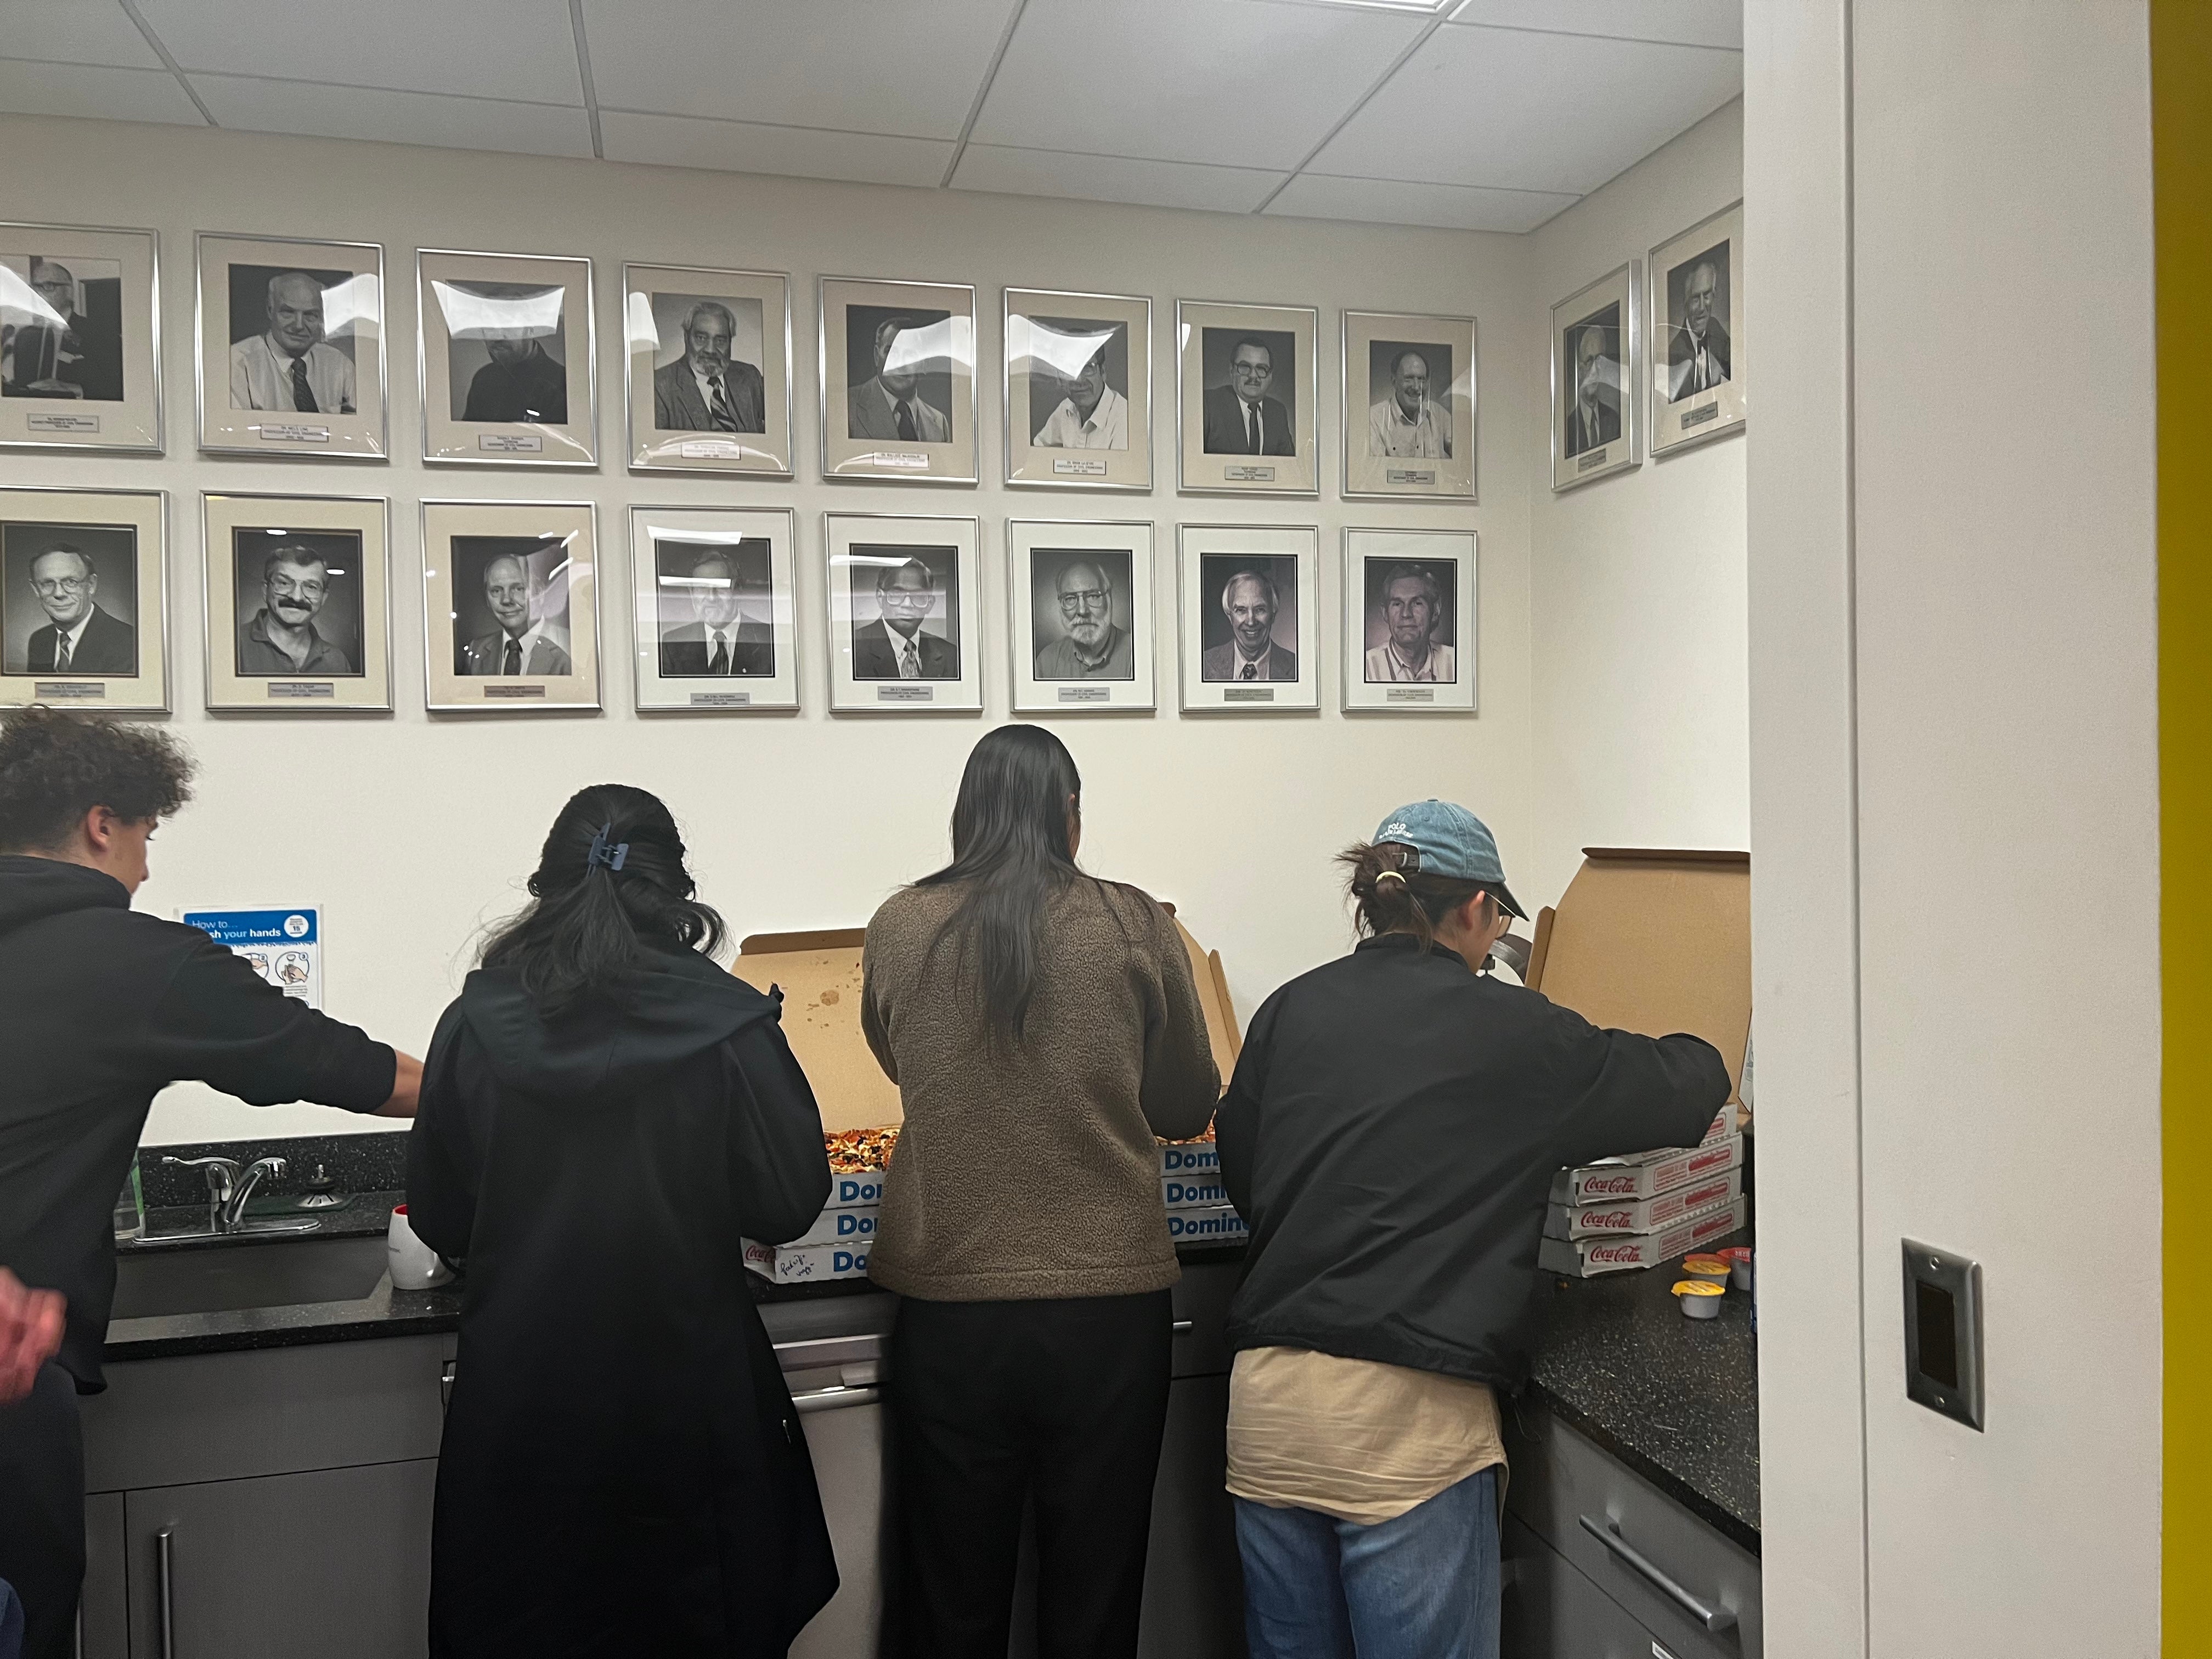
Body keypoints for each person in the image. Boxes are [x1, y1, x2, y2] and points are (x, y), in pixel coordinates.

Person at [1216, 801, 1730, 1659]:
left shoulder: (1287, 1011)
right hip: (1408, 1432)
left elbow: (1245, 1173)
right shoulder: (1515, 1031)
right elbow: (1688, 1085)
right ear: (1478, 911)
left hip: (1268, 1420)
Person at [0, 708, 422, 1659]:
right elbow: (337, 1062)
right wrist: (491, 1080)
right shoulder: (132, 958)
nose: (148, 867)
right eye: (148, 835)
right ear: (102, 822)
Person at [407, 783, 837, 1656]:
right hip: (691, 1410)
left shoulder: (472, 1025)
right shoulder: (729, 1024)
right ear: (676, 897)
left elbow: (446, 1217)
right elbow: (789, 1201)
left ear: (546, 887)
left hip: (524, 1412)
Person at [861, 726, 1218, 1659]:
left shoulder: (900, 924)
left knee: (952, 1593)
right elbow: (1186, 1104)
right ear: (1071, 815)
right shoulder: (1135, 922)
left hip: (951, 1304)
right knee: (1093, 1591)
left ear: (966, 813)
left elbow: (896, 1057)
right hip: (1107, 1311)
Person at [228, 270, 357, 415]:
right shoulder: (237, 363)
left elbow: (359, 430)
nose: (299, 325)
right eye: (288, 312)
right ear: (270, 311)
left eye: (310, 315)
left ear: (321, 318)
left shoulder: (340, 365)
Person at [3, 259, 122, 402]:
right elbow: (22, 385)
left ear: (69, 292)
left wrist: (71, 389)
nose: (38, 294)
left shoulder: (99, 332)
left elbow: (119, 387)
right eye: (34, 288)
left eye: (48, 286)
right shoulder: (24, 337)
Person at [235, 543, 354, 675]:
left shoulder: (337, 661)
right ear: (265, 590)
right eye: (284, 583)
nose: (296, 598)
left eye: (311, 587)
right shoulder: (234, 646)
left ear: (323, 598)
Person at [653, 300, 765, 433]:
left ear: (730, 342)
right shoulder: (659, 385)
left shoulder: (751, 377)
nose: (711, 350)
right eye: (701, 338)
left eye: (720, 340)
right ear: (686, 338)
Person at [21, 545, 134, 675]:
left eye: (71, 581)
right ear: (36, 589)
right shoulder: (39, 640)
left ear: (91, 585)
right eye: (47, 583)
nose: (58, 593)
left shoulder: (128, 642)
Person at [658, 548, 773, 676]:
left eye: (721, 586)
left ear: (738, 589)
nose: (712, 597)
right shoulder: (673, 645)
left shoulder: (770, 639)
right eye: (702, 588)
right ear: (692, 593)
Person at [458, 553, 572, 676]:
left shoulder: (569, 646)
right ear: (487, 598)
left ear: (539, 592)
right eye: (496, 591)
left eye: (518, 589)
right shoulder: (476, 651)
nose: (506, 600)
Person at [847, 316, 949, 443]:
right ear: (877, 357)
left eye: (911, 354)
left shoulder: (939, 423)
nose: (900, 363)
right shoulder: (848, 406)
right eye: (892, 352)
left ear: (924, 363)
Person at [851, 558, 956, 680]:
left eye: (918, 596)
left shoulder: (950, 654)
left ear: (930, 603)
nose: (908, 604)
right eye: (897, 594)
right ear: (880, 597)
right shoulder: (855, 649)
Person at [1032, 557, 1133, 680]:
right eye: (1070, 598)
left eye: (1093, 596)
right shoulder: (1047, 662)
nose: (1082, 611)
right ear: (1060, 607)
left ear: (1109, 598)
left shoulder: (1137, 655)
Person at [1200, 568, 1297, 682]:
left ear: (1273, 614)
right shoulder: (1204, 664)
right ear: (1229, 616)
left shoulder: (1297, 667)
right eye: (1241, 610)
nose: (1251, 622)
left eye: (1260, 609)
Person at [1202, 336, 1294, 456]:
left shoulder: (1278, 412)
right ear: (1232, 370)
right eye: (1245, 367)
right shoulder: (1208, 404)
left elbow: (1289, 468)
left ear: (1270, 375)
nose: (1253, 376)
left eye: (1261, 368)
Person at [1363, 565, 1455, 684]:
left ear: (1436, 610)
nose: (1406, 614)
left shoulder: (1456, 662)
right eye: (1397, 604)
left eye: (1417, 603)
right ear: (1385, 613)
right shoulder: (1366, 667)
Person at [1032, 342, 1127, 449]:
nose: (1079, 380)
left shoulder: (1124, 419)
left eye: (1087, 368)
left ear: (1103, 371)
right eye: (1069, 370)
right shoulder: (1066, 408)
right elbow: (1038, 451)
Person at [462, 329, 567, 425]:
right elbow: (468, 438)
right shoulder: (484, 379)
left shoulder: (562, 383)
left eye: (507, 326)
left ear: (530, 330)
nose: (497, 337)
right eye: (489, 329)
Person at [1368, 348, 1451, 459]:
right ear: (1394, 381)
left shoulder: (1440, 415)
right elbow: (1375, 472)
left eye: (1422, 379)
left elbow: (1463, 459)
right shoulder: (1374, 420)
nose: (1417, 387)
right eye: (1409, 378)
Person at [1668, 257, 1731, 401]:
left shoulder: (1716, 331)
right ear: (1685, 302)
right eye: (1696, 298)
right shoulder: (1673, 354)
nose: (1703, 307)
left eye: (1707, 295)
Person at [1565, 322, 1620, 458]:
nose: (1595, 370)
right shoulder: (1568, 428)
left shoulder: (1614, 420)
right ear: (1579, 370)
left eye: (1599, 360)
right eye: (1589, 361)